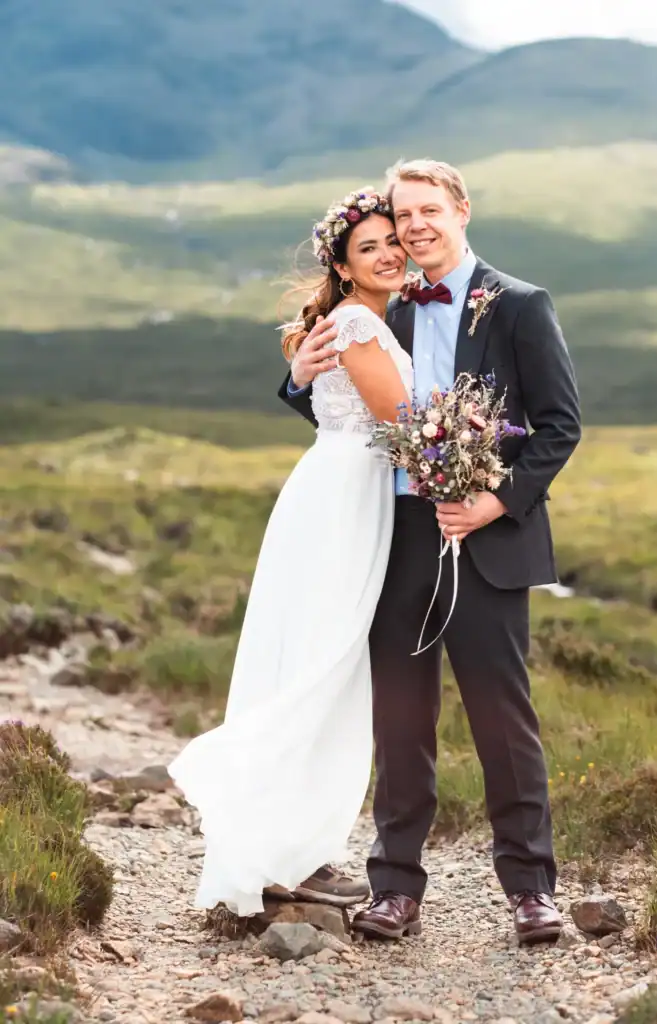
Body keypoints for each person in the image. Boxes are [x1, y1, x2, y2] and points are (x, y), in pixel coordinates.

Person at [280, 159, 582, 943]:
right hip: (396, 536)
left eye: (426, 211)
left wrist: (493, 501)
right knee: (400, 716)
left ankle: (529, 890)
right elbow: (345, 408)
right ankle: (395, 887)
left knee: (500, 717)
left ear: (460, 210)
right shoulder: (388, 306)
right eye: (401, 215)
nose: (412, 227)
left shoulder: (518, 305)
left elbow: (557, 427)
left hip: (485, 537)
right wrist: (293, 380)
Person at [169, 189, 413, 917]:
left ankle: (294, 848)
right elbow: (403, 420)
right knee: (323, 665)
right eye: (367, 247)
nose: (388, 253)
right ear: (340, 265)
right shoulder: (359, 319)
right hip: (343, 501)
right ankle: (280, 840)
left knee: (319, 662)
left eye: (391, 239)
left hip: (338, 493)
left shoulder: (358, 318)